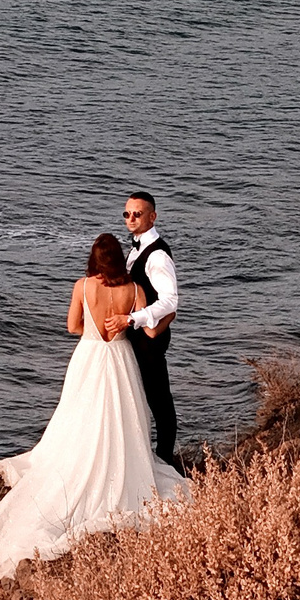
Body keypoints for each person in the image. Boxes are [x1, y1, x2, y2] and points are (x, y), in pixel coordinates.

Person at [0, 233, 187, 585]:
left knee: (79, 418)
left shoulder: (83, 286)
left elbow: (72, 326)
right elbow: (150, 333)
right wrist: (166, 316)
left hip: (89, 358)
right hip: (121, 360)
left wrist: (92, 327)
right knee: (122, 420)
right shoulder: (135, 290)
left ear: (94, 261)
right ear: (120, 259)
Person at [99, 190, 179, 465]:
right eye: (127, 214)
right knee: (141, 396)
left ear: (152, 217)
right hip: (140, 336)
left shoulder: (157, 256)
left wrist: (133, 319)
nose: (131, 218)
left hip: (148, 339)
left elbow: (170, 299)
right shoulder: (137, 250)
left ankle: (165, 460)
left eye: (137, 214)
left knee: (158, 400)